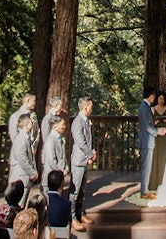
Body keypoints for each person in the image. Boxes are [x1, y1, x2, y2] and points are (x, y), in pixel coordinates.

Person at [70, 95, 96, 232]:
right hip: (78, 161)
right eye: (91, 106)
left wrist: (92, 152)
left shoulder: (86, 121)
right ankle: (72, 217)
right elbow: (80, 142)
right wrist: (90, 154)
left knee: (82, 190)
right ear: (85, 107)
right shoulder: (77, 122)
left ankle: (80, 213)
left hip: (85, 160)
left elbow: (88, 140)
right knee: (75, 190)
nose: (92, 109)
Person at [10, 115, 40, 205]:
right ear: (26, 125)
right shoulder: (21, 139)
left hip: (24, 176)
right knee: (19, 203)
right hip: (21, 175)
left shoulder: (26, 138)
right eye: (31, 122)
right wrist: (32, 173)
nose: (33, 124)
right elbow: (22, 158)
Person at [138, 85, 161, 199]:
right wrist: (157, 131)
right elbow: (146, 126)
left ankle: (145, 189)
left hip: (148, 139)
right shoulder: (143, 107)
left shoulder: (145, 107)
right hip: (146, 141)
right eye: (154, 96)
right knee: (146, 166)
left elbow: (147, 122)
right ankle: (144, 192)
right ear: (151, 96)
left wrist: (154, 124)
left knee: (147, 166)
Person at [149, 90, 166, 193]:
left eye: (163, 99)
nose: (161, 101)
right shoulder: (153, 109)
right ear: (157, 99)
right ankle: (154, 182)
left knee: (165, 156)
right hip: (156, 134)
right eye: (160, 98)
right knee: (156, 156)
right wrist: (155, 122)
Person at [41, 114, 69, 191]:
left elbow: (63, 156)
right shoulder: (50, 140)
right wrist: (60, 172)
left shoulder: (60, 138)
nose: (64, 127)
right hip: (51, 177)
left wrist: (66, 168)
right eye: (62, 125)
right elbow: (51, 159)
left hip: (59, 177)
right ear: (55, 127)